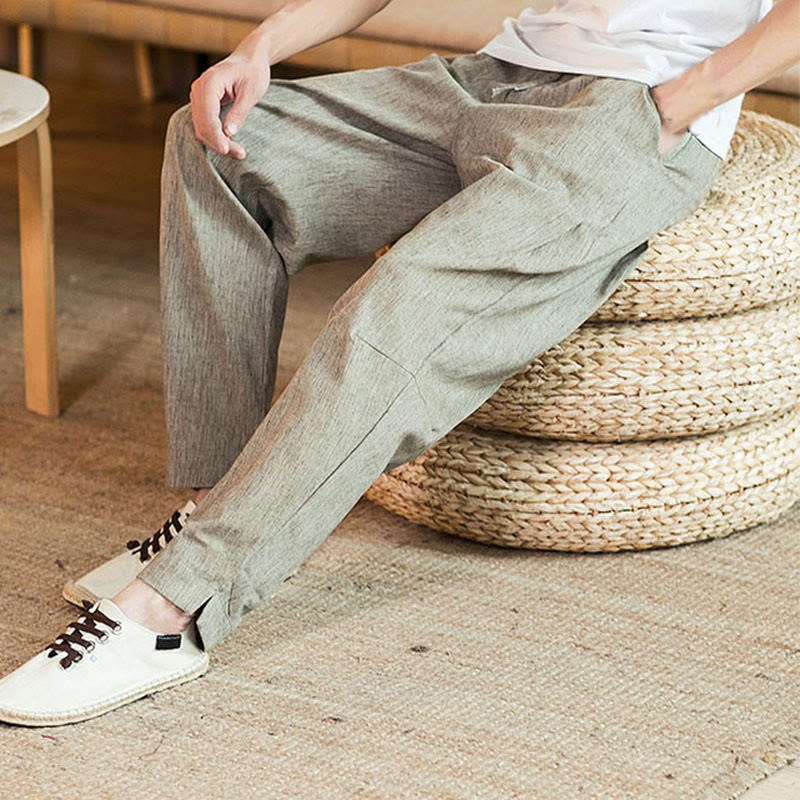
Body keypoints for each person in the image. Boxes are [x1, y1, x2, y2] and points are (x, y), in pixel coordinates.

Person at [1, 0, 798, 727]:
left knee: (394, 309)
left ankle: (172, 612)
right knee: (221, 147)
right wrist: (261, 48)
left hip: (629, 117)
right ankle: (217, 509)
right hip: (491, 79)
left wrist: (677, 106)